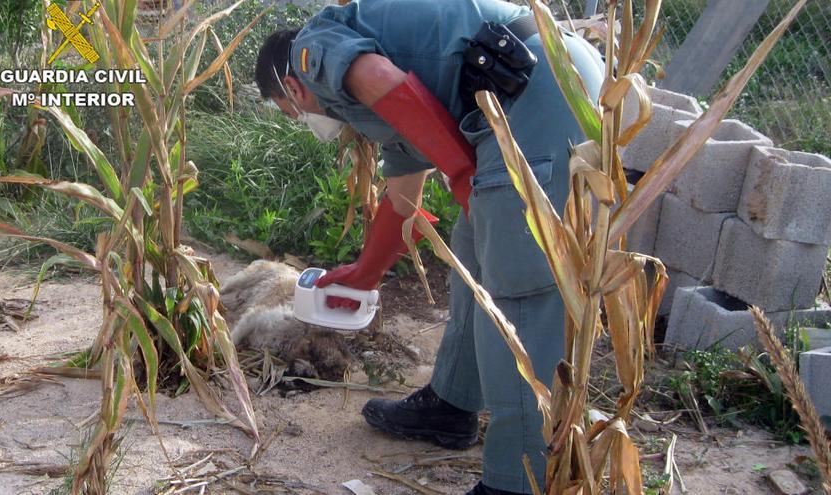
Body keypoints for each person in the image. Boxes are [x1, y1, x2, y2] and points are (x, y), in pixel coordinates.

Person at [253, 1, 603, 493]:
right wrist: (364, 273)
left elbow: (383, 79)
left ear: (291, 89)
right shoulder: (377, 95)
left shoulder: (314, 47)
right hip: (525, 82)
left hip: (535, 90)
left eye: (290, 111)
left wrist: (462, 171)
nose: (300, 117)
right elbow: (404, 200)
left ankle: (517, 481)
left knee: (517, 291)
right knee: (472, 251)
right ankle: (452, 405)